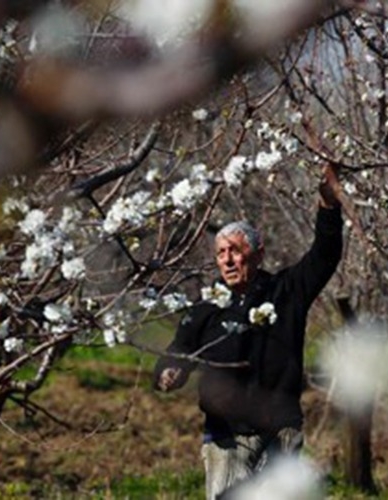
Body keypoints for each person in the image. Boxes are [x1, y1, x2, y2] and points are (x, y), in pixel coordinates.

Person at [153, 164, 344, 499]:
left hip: (280, 429)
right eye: (221, 254)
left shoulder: (286, 291)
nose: (227, 260)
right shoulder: (205, 307)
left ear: (258, 254)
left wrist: (328, 205)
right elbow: (179, 351)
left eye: (236, 251)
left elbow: (324, 256)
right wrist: (169, 373)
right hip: (227, 436)